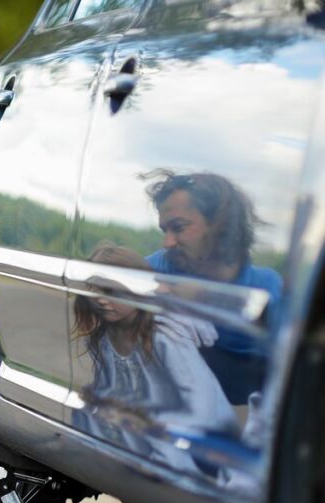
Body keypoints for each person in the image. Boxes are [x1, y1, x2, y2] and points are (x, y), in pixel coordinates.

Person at [71, 244, 237, 472]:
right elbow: (109, 392)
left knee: (165, 446)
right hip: (149, 423)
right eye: (96, 290)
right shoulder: (103, 340)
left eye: (110, 291)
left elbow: (202, 403)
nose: (100, 300)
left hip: (200, 432)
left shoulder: (164, 336)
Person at [144, 171, 283, 405]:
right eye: (164, 230)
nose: (167, 242)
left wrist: (203, 296)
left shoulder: (267, 287)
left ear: (221, 225)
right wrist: (161, 294)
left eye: (179, 228)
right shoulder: (163, 266)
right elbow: (103, 283)